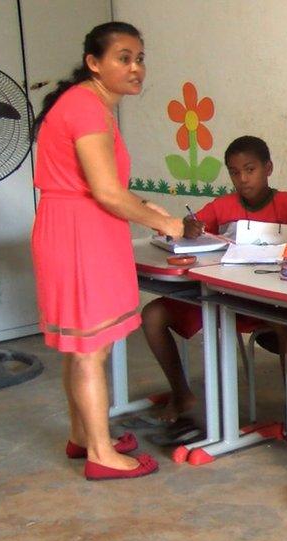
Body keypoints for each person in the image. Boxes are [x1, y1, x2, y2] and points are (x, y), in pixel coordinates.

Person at [31, 22, 184, 480]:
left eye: (139, 57)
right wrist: (163, 222)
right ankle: (101, 453)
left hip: (83, 228)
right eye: (123, 57)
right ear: (94, 63)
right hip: (79, 234)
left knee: (82, 346)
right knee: (88, 350)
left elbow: (106, 188)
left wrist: (142, 204)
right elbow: (105, 193)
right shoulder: (86, 107)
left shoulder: (90, 103)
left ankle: (84, 435)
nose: (135, 68)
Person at [141, 135, 287, 436]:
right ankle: (181, 392)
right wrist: (189, 226)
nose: (242, 179)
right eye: (234, 172)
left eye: (250, 170)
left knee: (285, 327)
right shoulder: (223, 206)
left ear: (268, 168)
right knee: (152, 315)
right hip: (219, 296)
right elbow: (190, 227)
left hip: (267, 301)